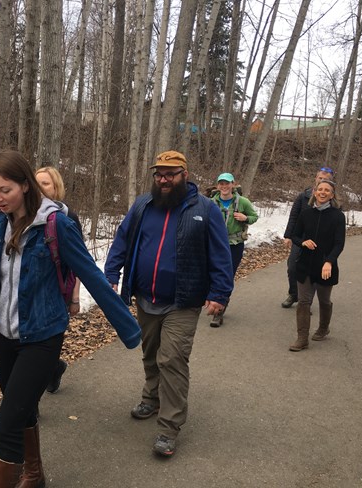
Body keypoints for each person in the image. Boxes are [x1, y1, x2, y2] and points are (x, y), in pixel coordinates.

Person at [0, 149, 140, 488]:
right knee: (22, 410)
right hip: (4, 333)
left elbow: (89, 274)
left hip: (43, 335)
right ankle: (34, 474)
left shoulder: (56, 223)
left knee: (6, 423)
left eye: (5, 190)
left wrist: (128, 329)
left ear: (26, 186)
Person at [104, 150, 234, 458]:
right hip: (145, 296)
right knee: (150, 352)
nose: (164, 180)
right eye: (159, 174)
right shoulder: (142, 205)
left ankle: (169, 427)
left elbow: (220, 254)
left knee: (172, 359)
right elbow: (122, 240)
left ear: (184, 175)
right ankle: (152, 396)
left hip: (183, 300)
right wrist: (111, 274)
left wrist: (220, 293)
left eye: (171, 174)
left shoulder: (205, 209)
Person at [35, 166, 81, 394]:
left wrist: (75, 298)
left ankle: (52, 367)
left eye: (45, 183)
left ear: (56, 187)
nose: (39, 188)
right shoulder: (26, 215)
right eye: (36, 183)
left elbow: (79, 262)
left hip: (60, 291)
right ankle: (52, 368)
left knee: (49, 341)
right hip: (34, 291)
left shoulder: (67, 218)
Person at [288, 179, 345, 352]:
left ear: (332, 195)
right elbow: (295, 236)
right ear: (314, 192)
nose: (323, 192)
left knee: (324, 300)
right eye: (320, 189)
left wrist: (329, 261)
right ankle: (302, 338)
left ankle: (323, 328)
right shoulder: (306, 214)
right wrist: (303, 242)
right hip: (305, 265)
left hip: (325, 266)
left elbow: (339, 243)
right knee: (304, 302)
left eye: (327, 190)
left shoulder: (338, 216)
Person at [209, 172, 258, 327]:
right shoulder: (211, 202)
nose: (224, 186)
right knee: (211, 275)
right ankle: (213, 301)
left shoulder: (242, 202)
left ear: (233, 185)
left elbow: (254, 216)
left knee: (227, 276)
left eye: (227, 183)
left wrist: (246, 218)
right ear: (217, 186)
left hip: (234, 244)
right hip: (215, 244)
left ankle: (219, 311)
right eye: (221, 183)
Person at [282, 166, 335, 308]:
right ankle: (294, 294)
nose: (322, 181)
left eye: (326, 180)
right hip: (300, 238)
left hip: (320, 242)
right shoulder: (303, 196)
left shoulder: (332, 201)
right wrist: (288, 236)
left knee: (314, 271)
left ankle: (306, 301)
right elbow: (293, 216)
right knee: (292, 267)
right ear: (315, 179)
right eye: (320, 178)